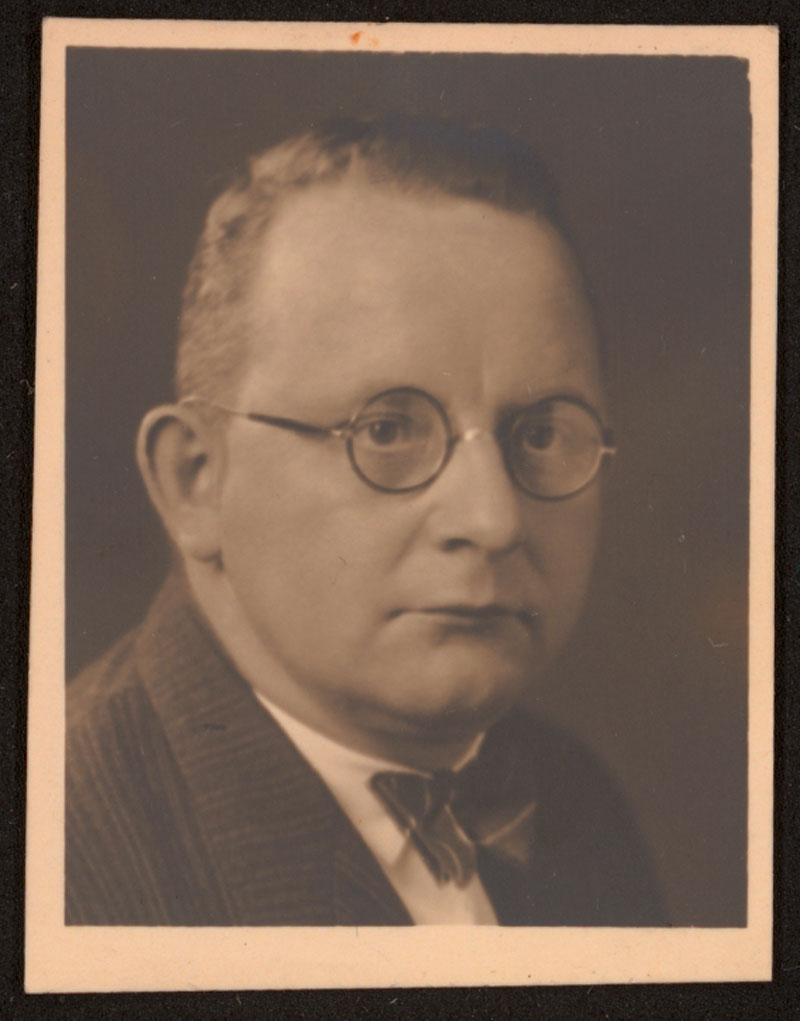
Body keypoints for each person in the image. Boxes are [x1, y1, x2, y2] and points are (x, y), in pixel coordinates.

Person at [66, 115, 665, 926]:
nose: (492, 518)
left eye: (539, 434)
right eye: (385, 430)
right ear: (196, 480)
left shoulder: (573, 801)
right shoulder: (64, 853)